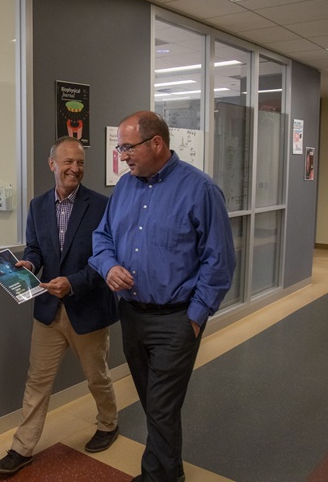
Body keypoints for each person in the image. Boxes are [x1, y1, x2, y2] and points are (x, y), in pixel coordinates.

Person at [90, 111, 235, 482]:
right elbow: (101, 238)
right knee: (153, 404)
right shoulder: (124, 187)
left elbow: (219, 260)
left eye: (127, 146)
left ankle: (159, 477)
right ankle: (167, 473)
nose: (122, 155)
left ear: (156, 143)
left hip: (176, 319)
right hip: (133, 316)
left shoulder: (200, 190)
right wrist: (107, 267)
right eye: (120, 147)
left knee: (162, 407)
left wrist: (196, 317)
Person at [0, 136, 120, 475]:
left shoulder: (102, 205)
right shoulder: (37, 206)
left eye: (79, 163)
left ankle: (109, 424)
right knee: (37, 381)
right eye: (68, 162)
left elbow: (106, 258)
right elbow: (35, 249)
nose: (75, 169)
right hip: (49, 309)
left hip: (88, 308)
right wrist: (30, 265)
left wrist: (73, 283)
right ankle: (22, 447)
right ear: (52, 165)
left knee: (97, 377)